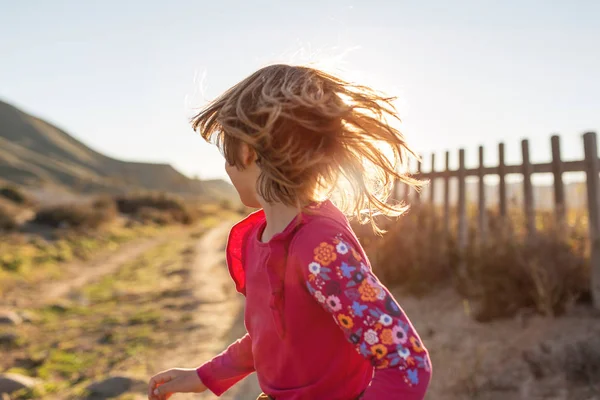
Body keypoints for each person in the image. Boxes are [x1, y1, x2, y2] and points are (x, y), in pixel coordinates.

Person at [148, 64, 431, 400]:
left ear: (247, 151)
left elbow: (406, 361)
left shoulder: (321, 247)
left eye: (226, 154)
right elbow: (270, 339)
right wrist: (202, 376)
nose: (225, 168)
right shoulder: (260, 239)